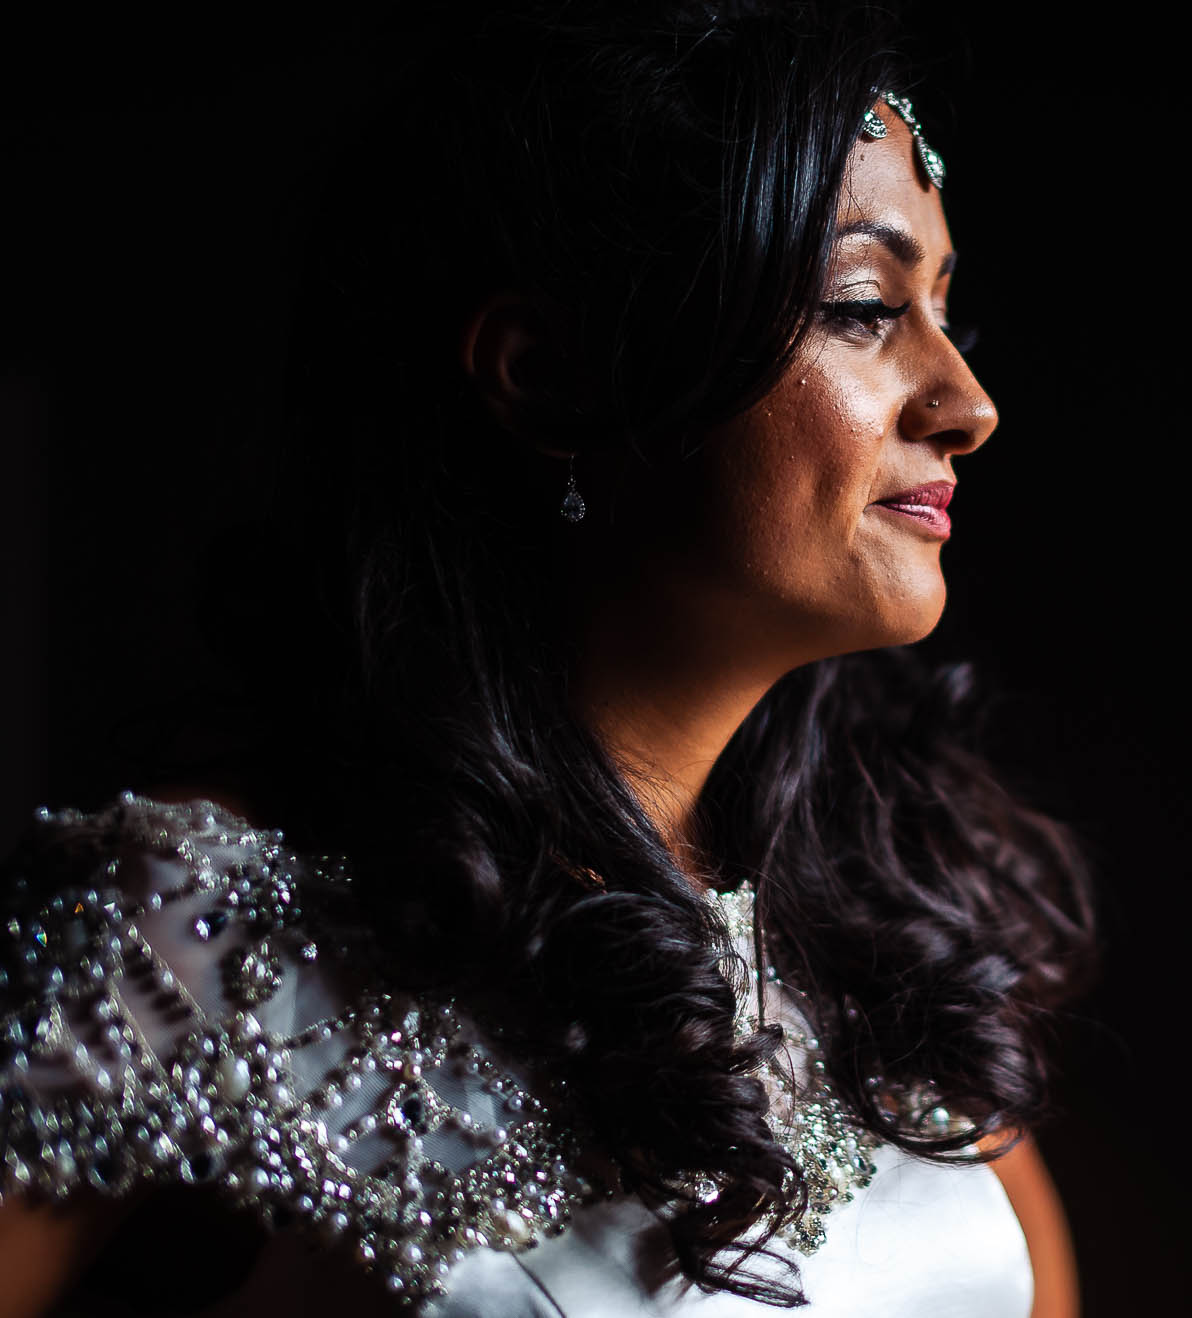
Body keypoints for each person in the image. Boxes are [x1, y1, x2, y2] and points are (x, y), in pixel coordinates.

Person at [0, 3, 1099, 1313]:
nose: (966, 403)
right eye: (864, 306)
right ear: (548, 376)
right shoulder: (198, 934)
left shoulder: (889, 940)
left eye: (944, 310)